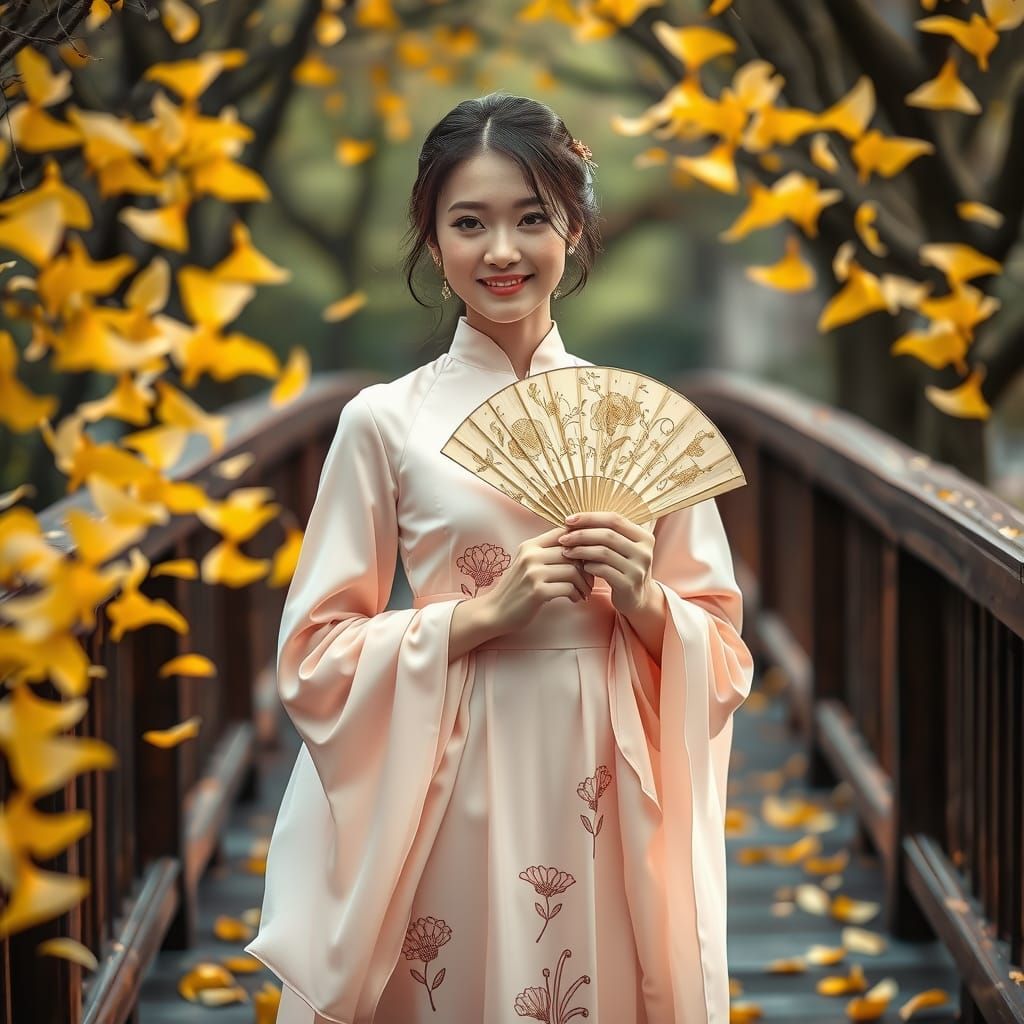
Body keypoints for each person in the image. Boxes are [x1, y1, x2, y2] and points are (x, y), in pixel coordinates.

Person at [244, 92, 754, 1024]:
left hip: (606, 772)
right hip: (451, 767)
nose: (503, 251)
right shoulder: (384, 423)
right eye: (469, 223)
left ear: (575, 227)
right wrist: (477, 618)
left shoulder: (637, 419)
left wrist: (644, 601)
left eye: (533, 219)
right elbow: (312, 655)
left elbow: (722, 656)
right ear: (432, 241)